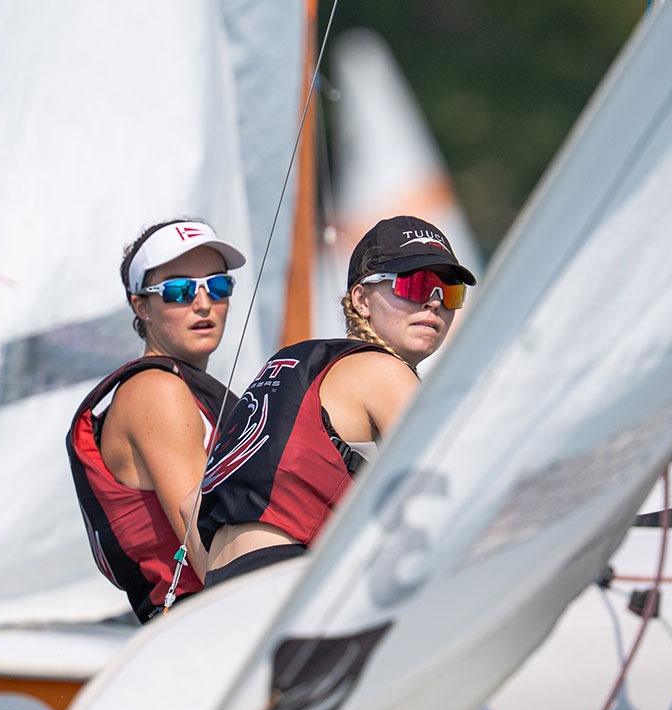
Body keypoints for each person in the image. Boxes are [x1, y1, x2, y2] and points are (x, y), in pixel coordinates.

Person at [197, 214, 475, 586]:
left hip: (223, 586)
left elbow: (190, 504)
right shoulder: (384, 371)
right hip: (283, 578)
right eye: (416, 285)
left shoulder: (295, 365)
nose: (435, 303)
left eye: (450, 291)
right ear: (361, 299)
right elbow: (447, 483)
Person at [67, 220, 245, 622]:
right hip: (204, 627)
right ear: (141, 306)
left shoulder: (180, 386)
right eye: (178, 291)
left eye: (217, 286)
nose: (203, 304)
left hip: (207, 619)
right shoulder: (155, 391)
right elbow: (203, 539)